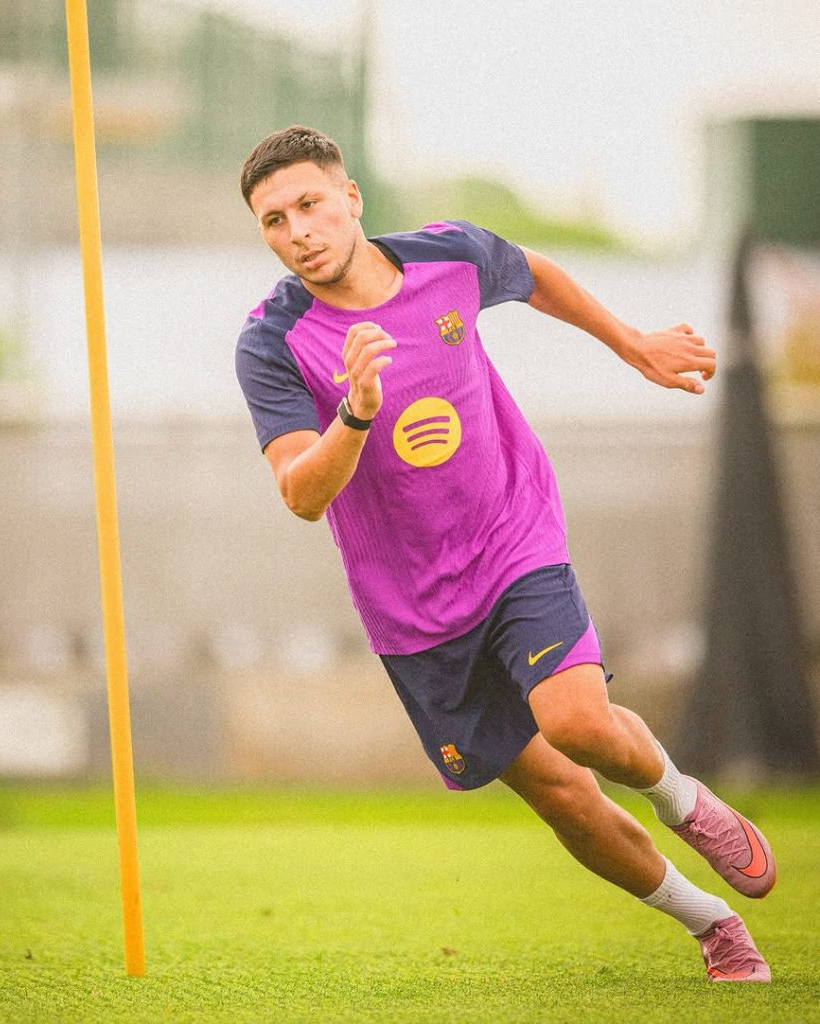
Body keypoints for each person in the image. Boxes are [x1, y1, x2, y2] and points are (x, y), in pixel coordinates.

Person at [234, 125, 774, 982]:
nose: (299, 231)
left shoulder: (449, 256)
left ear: (351, 198)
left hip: (513, 539)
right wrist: (356, 411)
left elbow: (535, 274)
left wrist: (631, 343)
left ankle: (684, 802)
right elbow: (302, 493)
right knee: (564, 796)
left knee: (577, 721)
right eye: (274, 220)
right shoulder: (272, 341)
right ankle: (711, 923)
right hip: (414, 613)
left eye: (310, 204)